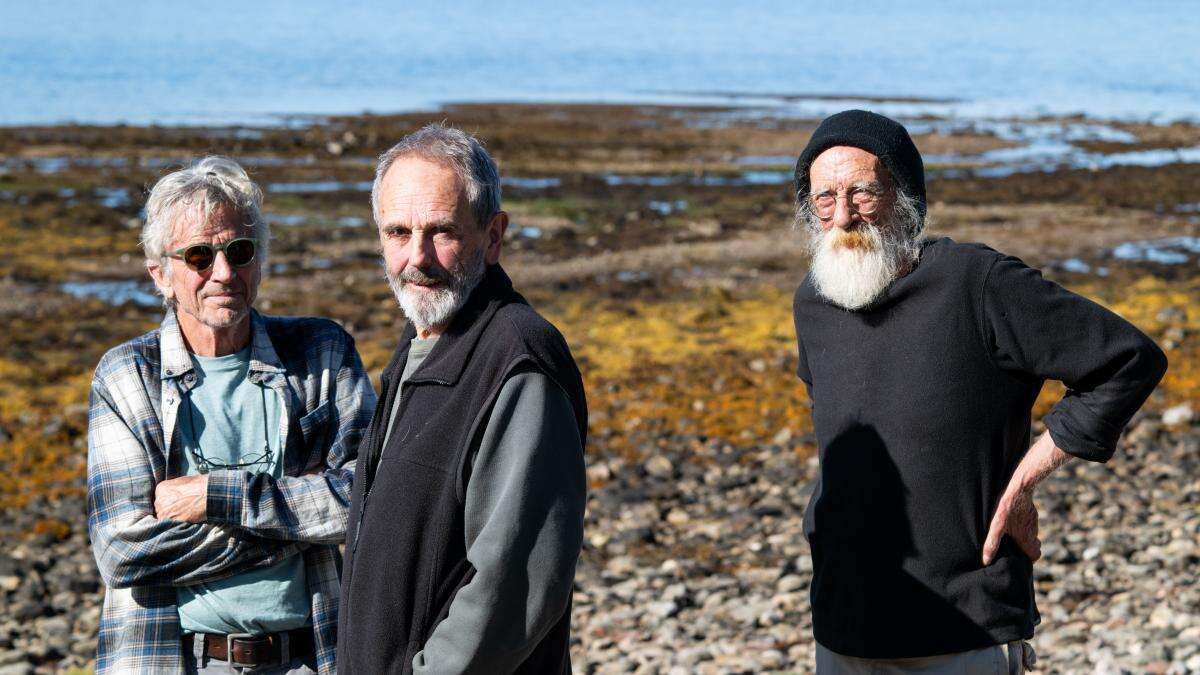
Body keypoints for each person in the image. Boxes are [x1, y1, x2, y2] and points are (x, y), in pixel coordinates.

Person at [789, 110, 1168, 673]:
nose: (842, 216)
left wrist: (1023, 481)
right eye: (824, 199)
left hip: (964, 626)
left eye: (862, 193)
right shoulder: (814, 303)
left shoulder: (977, 283)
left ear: (906, 194)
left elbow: (1126, 360)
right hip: (843, 625)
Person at [86, 157, 376, 674]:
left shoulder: (321, 354)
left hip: (312, 657)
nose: (223, 273)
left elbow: (368, 498)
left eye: (239, 252)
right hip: (176, 660)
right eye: (199, 256)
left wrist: (217, 498)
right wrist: (297, 522)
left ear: (259, 260)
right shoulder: (126, 377)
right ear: (161, 274)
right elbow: (122, 553)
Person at [336, 124, 588, 674]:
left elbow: (514, 581)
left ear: (493, 236)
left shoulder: (518, 360)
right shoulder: (419, 347)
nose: (416, 257)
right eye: (398, 232)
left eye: (441, 232)